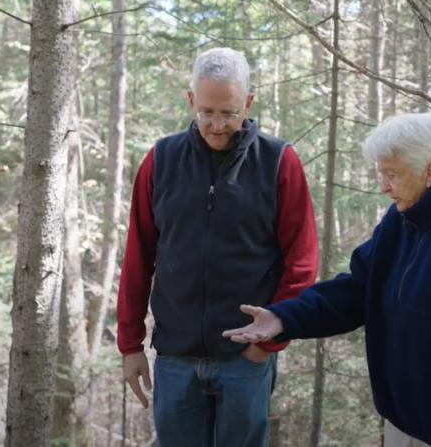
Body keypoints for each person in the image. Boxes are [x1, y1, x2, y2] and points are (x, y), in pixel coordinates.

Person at [222, 112, 431, 447]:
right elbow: (355, 291)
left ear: (429, 172)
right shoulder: (400, 222)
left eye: (392, 175)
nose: (384, 186)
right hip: (401, 422)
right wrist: (284, 317)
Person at [115, 47, 319, 447]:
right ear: (191, 99)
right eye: (206, 111)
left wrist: (268, 343)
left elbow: (302, 262)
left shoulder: (279, 162)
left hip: (246, 358)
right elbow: (138, 257)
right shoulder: (161, 160)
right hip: (175, 358)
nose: (216, 124)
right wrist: (130, 344)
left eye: (228, 112)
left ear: (247, 102)